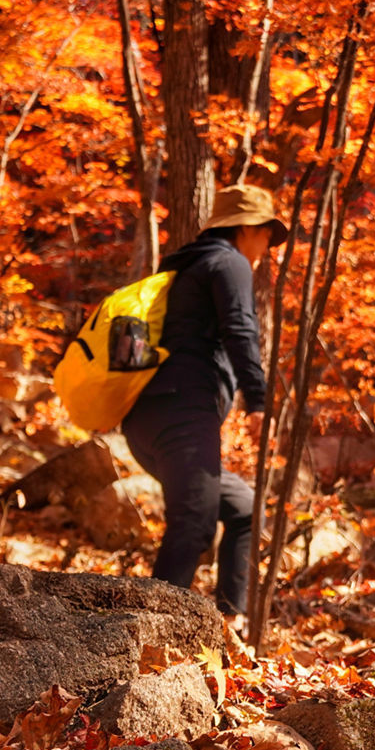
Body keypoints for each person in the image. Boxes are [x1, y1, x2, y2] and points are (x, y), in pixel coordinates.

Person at [121, 185, 286, 623]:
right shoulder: (229, 262)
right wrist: (258, 401)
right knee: (194, 524)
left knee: (244, 511)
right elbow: (240, 330)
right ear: (246, 229)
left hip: (149, 417)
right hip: (181, 412)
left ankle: (229, 625)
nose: (268, 245)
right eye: (267, 233)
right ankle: (143, 635)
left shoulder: (188, 265)